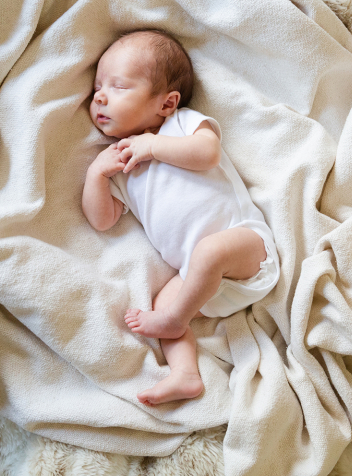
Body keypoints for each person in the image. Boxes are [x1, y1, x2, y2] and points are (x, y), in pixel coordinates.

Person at [82, 29, 279, 405]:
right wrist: (97, 175)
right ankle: (185, 374)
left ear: (167, 103)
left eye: (119, 87)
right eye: (96, 89)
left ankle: (175, 320)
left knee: (207, 255)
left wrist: (154, 145)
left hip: (246, 247)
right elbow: (102, 220)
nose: (101, 97)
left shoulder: (182, 125)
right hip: (196, 280)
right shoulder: (123, 165)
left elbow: (208, 154)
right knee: (161, 302)